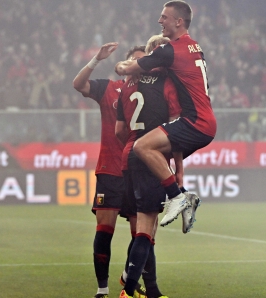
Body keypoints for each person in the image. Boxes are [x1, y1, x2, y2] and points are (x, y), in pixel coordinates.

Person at [115, 0, 216, 227]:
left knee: (141, 147)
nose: (160, 21)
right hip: (204, 121)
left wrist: (120, 66)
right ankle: (182, 193)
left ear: (179, 22)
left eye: (164, 17)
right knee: (156, 156)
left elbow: (130, 68)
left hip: (194, 122)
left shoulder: (169, 50)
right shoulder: (195, 46)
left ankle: (177, 198)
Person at [72, 42, 147, 298]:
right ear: (125, 65)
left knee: (141, 233)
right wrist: (95, 59)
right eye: (135, 60)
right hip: (110, 169)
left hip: (137, 171)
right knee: (105, 230)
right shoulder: (110, 88)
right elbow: (78, 85)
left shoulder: (152, 92)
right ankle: (102, 290)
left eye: (143, 60)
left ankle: (128, 277)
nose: (138, 64)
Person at [116, 34, 183, 298]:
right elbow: (175, 131)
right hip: (151, 158)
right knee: (147, 229)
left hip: (128, 157)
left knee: (141, 228)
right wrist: (178, 169)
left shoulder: (127, 84)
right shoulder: (167, 83)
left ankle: (151, 291)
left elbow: (120, 129)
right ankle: (129, 290)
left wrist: (132, 145)